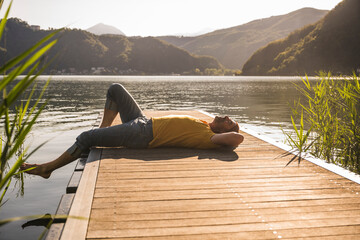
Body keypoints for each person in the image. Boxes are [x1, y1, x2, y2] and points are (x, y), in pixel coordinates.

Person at [21, 84, 244, 179]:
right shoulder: (204, 126)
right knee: (115, 89)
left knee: (85, 138)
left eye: (228, 120)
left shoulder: (208, 137)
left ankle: (47, 168)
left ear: (225, 132)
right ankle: (104, 131)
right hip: (142, 122)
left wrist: (229, 136)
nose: (225, 117)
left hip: (142, 134)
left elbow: (238, 137)